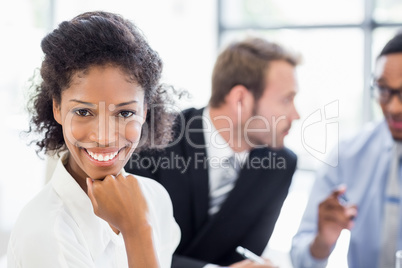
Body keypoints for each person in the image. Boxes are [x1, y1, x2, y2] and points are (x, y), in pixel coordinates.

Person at [7, 11, 180, 268]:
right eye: (84, 112)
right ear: (57, 108)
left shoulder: (156, 198)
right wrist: (137, 230)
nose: (104, 136)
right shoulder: (45, 233)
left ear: (144, 112)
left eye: (125, 113)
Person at [125, 37, 301, 268]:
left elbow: (245, 254)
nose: (295, 114)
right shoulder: (153, 139)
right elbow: (128, 248)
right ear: (241, 99)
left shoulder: (280, 165)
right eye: (286, 100)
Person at [291, 32, 402, 268]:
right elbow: (300, 256)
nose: (393, 107)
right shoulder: (349, 154)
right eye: (383, 89)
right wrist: (323, 241)